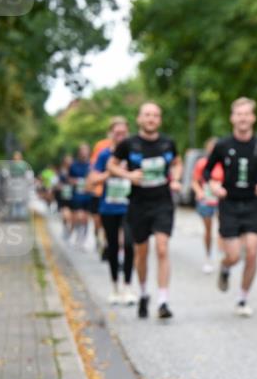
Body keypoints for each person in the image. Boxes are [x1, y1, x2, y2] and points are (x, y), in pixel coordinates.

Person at [202, 97, 257, 317]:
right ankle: (226, 267)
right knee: (235, 255)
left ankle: (242, 298)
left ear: (253, 118)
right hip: (229, 204)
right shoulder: (223, 145)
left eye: (247, 114)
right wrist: (214, 186)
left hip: (253, 204)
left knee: (253, 252)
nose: (243, 118)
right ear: (232, 118)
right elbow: (207, 171)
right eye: (239, 114)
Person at [109, 102, 182, 319]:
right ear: (140, 119)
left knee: (162, 248)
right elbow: (112, 165)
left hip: (162, 202)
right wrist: (129, 176)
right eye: (147, 115)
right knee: (142, 253)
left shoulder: (168, 143)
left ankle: (163, 301)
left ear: (159, 120)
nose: (151, 119)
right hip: (138, 204)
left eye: (155, 115)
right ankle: (143, 293)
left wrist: (176, 178)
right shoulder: (129, 144)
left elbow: (177, 163)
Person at [89, 117, 137, 306]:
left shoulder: (134, 153)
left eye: (124, 133)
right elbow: (93, 180)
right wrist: (112, 172)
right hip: (109, 206)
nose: (120, 137)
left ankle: (127, 286)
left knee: (129, 244)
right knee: (113, 247)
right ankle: (115, 287)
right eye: (117, 133)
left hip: (130, 205)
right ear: (110, 134)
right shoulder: (103, 155)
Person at [191, 137, 224, 273]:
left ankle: (222, 257)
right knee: (208, 229)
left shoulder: (224, 163)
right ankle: (208, 256)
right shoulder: (202, 163)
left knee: (224, 228)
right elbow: (194, 181)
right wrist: (199, 192)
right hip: (206, 199)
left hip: (221, 199)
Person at [67, 144, 93, 248]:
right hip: (77, 194)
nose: (84, 152)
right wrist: (76, 181)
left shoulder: (92, 165)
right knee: (79, 216)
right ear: (79, 152)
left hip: (88, 195)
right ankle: (77, 234)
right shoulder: (73, 165)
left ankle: (83, 237)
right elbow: (69, 179)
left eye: (86, 150)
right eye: (82, 150)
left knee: (85, 218)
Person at [55, 155, 75, 241]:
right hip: (63, 197)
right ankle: (66, 228)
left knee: (73, 215)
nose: (69, 163)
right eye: (68, 161)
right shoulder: (61, 173)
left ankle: (70, 231)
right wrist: (61, 187)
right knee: (66, 214)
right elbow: (56, 184)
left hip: (74, 196)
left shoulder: (75, 171)